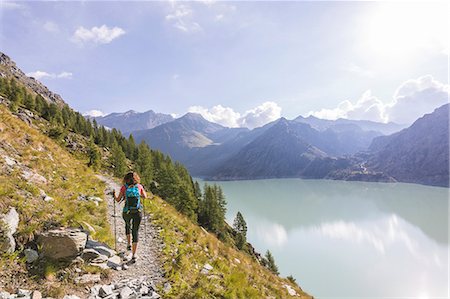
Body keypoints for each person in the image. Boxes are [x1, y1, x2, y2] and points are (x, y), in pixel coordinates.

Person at [113, 171, 147, 262]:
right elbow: (145, 196)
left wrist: (114, 195)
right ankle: (134, 254)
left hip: (126, 211)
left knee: (127, 226)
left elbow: (118, 200)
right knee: (135, 231)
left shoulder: (124, 187)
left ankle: (128, 244)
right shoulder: (139, 186)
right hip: (137, 211)